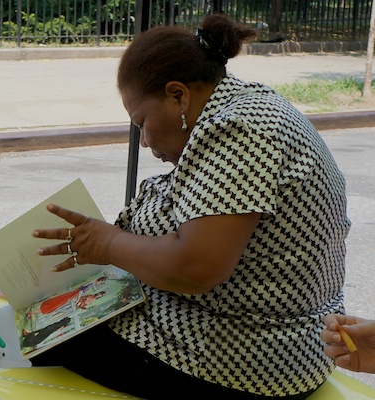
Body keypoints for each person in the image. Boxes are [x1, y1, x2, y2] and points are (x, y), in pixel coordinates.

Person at [30, 14, 351, 400]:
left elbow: (197, 266)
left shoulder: (239, 129)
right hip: (279, 337)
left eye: (142, 122)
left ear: (178, 95)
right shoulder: (244, 106)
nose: (145, 141)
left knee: (50, 332)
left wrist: (108, 244)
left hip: (258, 356)